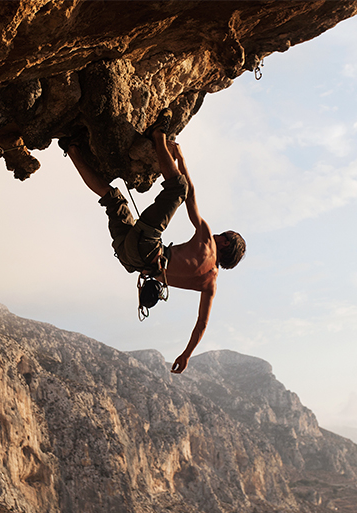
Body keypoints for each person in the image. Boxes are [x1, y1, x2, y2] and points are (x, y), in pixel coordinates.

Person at [61, 112, 246, 374]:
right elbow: (201, 324)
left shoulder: (208, 241)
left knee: (177, 188)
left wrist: (180, 159)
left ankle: (158, 134)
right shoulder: (210, 285)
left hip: (148, 247)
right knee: (113, 200)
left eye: (223, 235)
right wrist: (186, 354)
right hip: (131, 261)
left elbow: (189, 194)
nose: (219, 235)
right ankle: (71, 149)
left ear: (226, 244)